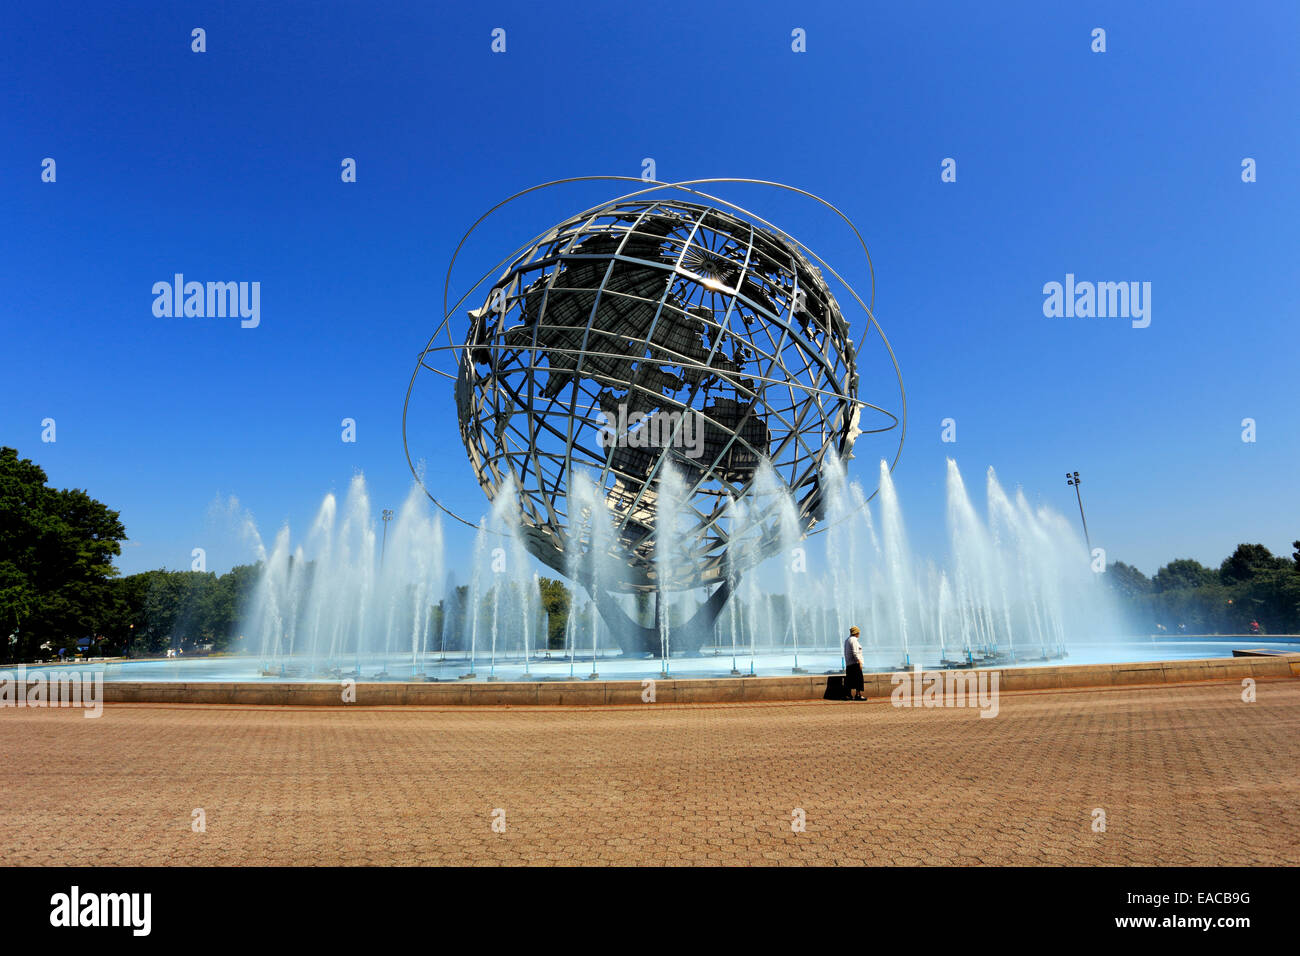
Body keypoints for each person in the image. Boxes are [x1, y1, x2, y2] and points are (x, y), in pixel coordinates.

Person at [843, 626, 866, 701]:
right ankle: (858, 695)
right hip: (854, 663)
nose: (859, 634)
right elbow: (855, 652)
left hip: (849, 663)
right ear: (856, 633)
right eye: (858, 632)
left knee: (849, 680)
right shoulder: (854, 640)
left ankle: (848, 695)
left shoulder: (847, 640)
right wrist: (859, 662)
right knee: (858, 679)